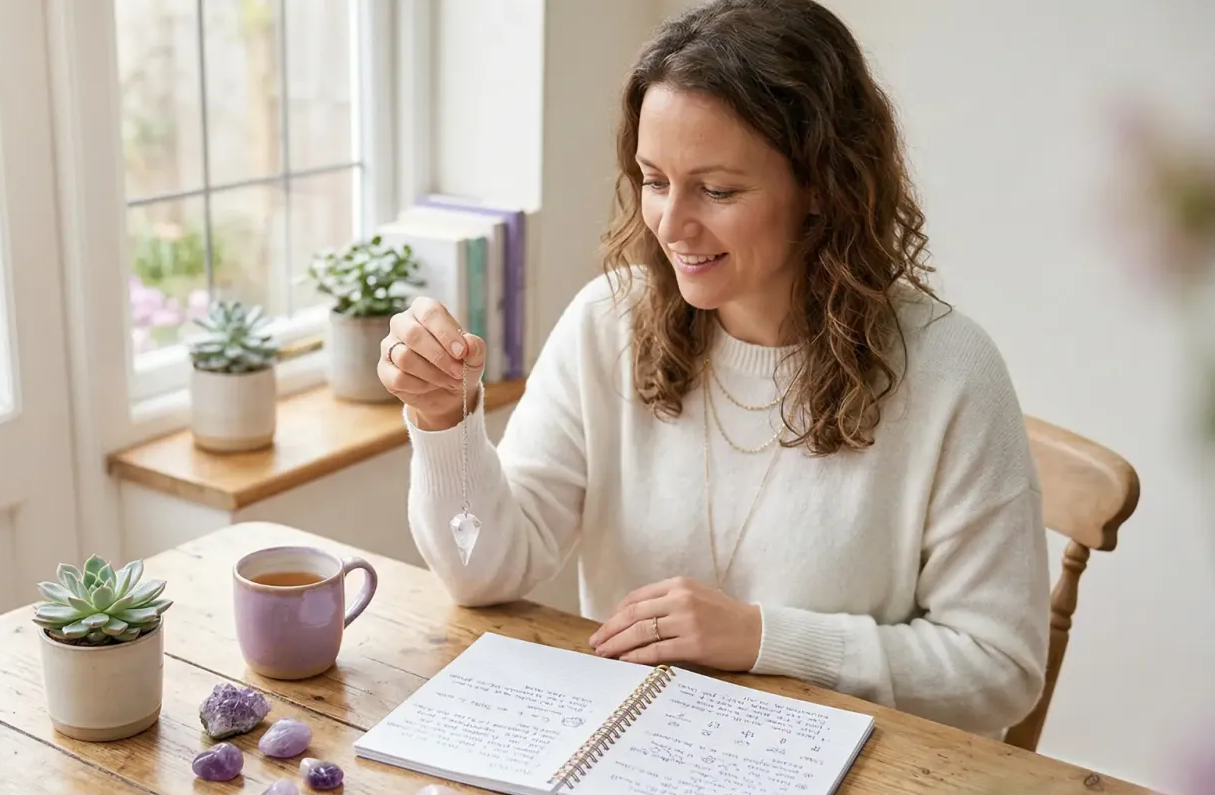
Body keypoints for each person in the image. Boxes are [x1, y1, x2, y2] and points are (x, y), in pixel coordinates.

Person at [374, 0, 1049, 738]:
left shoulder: (950, 372)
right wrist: (444, 421)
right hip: (633, 750)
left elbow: (998, 672)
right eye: (654, 180)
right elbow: (482, 572)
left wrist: (763, 638)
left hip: (852, 776)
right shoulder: (607, 323)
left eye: (717, 190)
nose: (670, 225)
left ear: (822, 185)